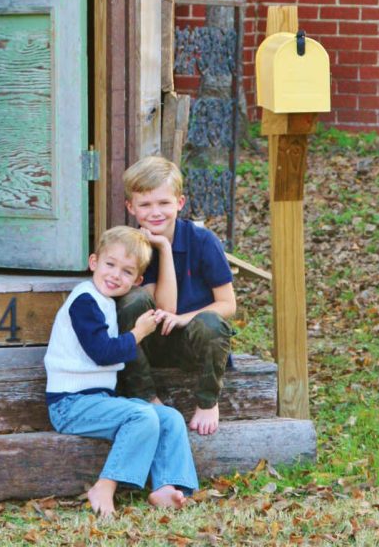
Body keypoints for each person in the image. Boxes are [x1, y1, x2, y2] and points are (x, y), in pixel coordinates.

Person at [44, 226, 198, 517]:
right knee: (143, 416)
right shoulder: (84, 301)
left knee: (170, 417)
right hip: (69, 404)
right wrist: (138, 333)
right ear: (94, 263)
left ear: (138, 280)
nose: (115, 275)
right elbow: (102, 353)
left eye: (127, 272)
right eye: (110, 264)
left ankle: (167, 485)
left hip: (97, 401)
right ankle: (105, 484)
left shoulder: (105, 302)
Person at [117, 156, 236, 436]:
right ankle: (145, 395)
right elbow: (162, 307)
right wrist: (164, 250)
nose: (155, 212)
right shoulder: (132, 246)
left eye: (164, 203)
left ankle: (208, 401)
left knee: (211, 322)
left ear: (179, 203)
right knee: (131, 302)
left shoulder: (203, 241)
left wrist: (183, 319)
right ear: (131, 207)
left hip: (192, 343)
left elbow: (228, 304)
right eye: (145, 205)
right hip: (151, 342)